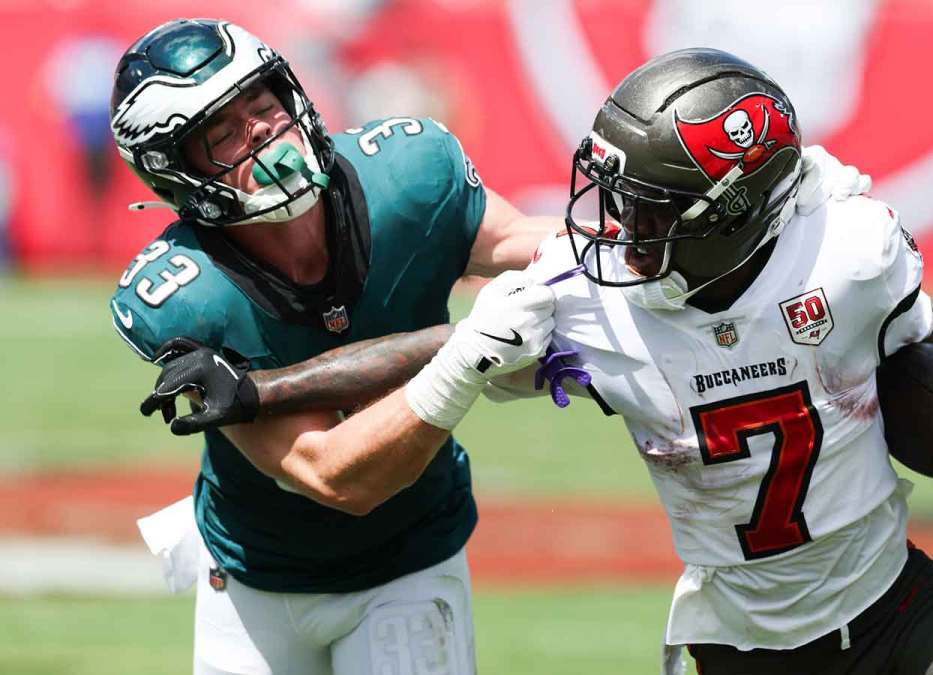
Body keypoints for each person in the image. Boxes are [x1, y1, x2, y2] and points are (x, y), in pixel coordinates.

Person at [117, 20, 870, 675]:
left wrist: (735, 222)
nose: (264, 130)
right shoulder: (187, 291)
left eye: (264, 103)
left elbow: (525, 242)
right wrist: (464, 359)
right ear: (173, 169)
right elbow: (333, 473)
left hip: (407, 559)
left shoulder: (404, 172)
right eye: (224, 131)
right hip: (250, 573)